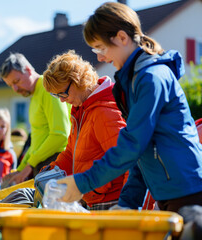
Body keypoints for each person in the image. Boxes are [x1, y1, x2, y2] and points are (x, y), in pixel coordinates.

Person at [57, 2, 202, 213]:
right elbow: (141, 152)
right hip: (168, 192)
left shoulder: (152, 79)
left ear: (122, 38)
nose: (99, 57)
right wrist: (128, 202)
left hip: (186, 189)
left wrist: (82, 183)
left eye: (101, 48)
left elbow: (133, 143)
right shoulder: (133, 82)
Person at [42, 50, 128, 210]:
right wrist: (52, 171)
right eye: (56, 95)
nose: (61, 100)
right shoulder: (81, 111)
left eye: (63, 93)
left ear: (78, 80)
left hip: (112, 202)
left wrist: (128, 204)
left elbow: (127, 159)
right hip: (94, 198)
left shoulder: (104, 112)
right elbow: (71, 153)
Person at [0, 53, 71, 185]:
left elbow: (60, 135)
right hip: (45, 165)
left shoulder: (47, 88)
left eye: (16, 81)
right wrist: (19, 170)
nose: (15, 88)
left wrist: (29, 166)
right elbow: (37, 142)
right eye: (10, 85)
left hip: (55, 164)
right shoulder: (35, 96)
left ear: (29, 70)